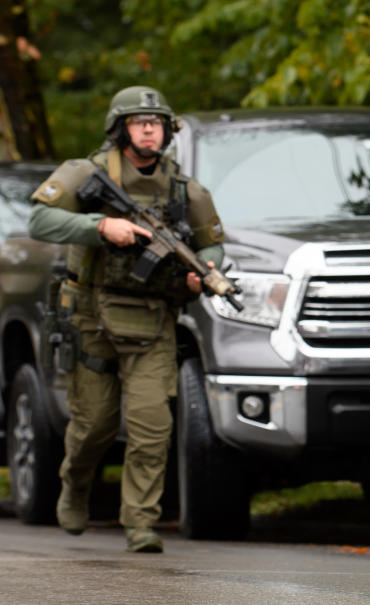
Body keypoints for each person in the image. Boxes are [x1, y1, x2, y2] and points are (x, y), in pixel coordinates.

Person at [28, 85, 226, 553]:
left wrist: (209, 271)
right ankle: (75, 485)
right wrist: (99, 226)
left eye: (156, 123)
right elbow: (40, 221)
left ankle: (140, 523)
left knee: (151, 427)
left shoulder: (184, 189)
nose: (149, 130)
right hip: (93, 319)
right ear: (121, 129)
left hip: (153, 322)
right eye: (140, 123)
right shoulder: (86, 173)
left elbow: (211, 244)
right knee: (94, 425)